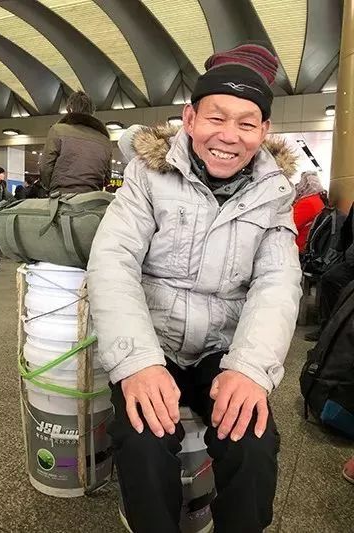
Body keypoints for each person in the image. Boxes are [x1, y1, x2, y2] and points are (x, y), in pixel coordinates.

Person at [87, 42, 302, 533]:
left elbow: (278, 281)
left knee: (253, 441)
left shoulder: (275, 193)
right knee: (142, 438)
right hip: (154, 339)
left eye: (246, 123)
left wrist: (249, 369)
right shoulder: (148, 174)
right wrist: (137, 362)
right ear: (189, 118)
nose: (229, 136)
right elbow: (113, 262)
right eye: (215, 118)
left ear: (264, 130)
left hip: (222, 347)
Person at [39, 90, 112, 194]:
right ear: (92, 112)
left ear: (69, 109)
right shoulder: (105, 139)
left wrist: (52, 188)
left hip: (62, 196)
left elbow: (45, 167)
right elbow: (107, 178)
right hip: (93, 197)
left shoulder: (57, 130)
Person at [305, 203, 354, 341]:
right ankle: (327, 329)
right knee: (329, 278)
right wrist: (337, 253)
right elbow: (346, 231)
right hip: (351, 263)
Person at [293, 171, 327, 254]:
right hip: (311, 246)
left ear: (305, 185)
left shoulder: (306, 202)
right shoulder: (318, 199)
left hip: (297, 247)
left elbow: (291, 225)